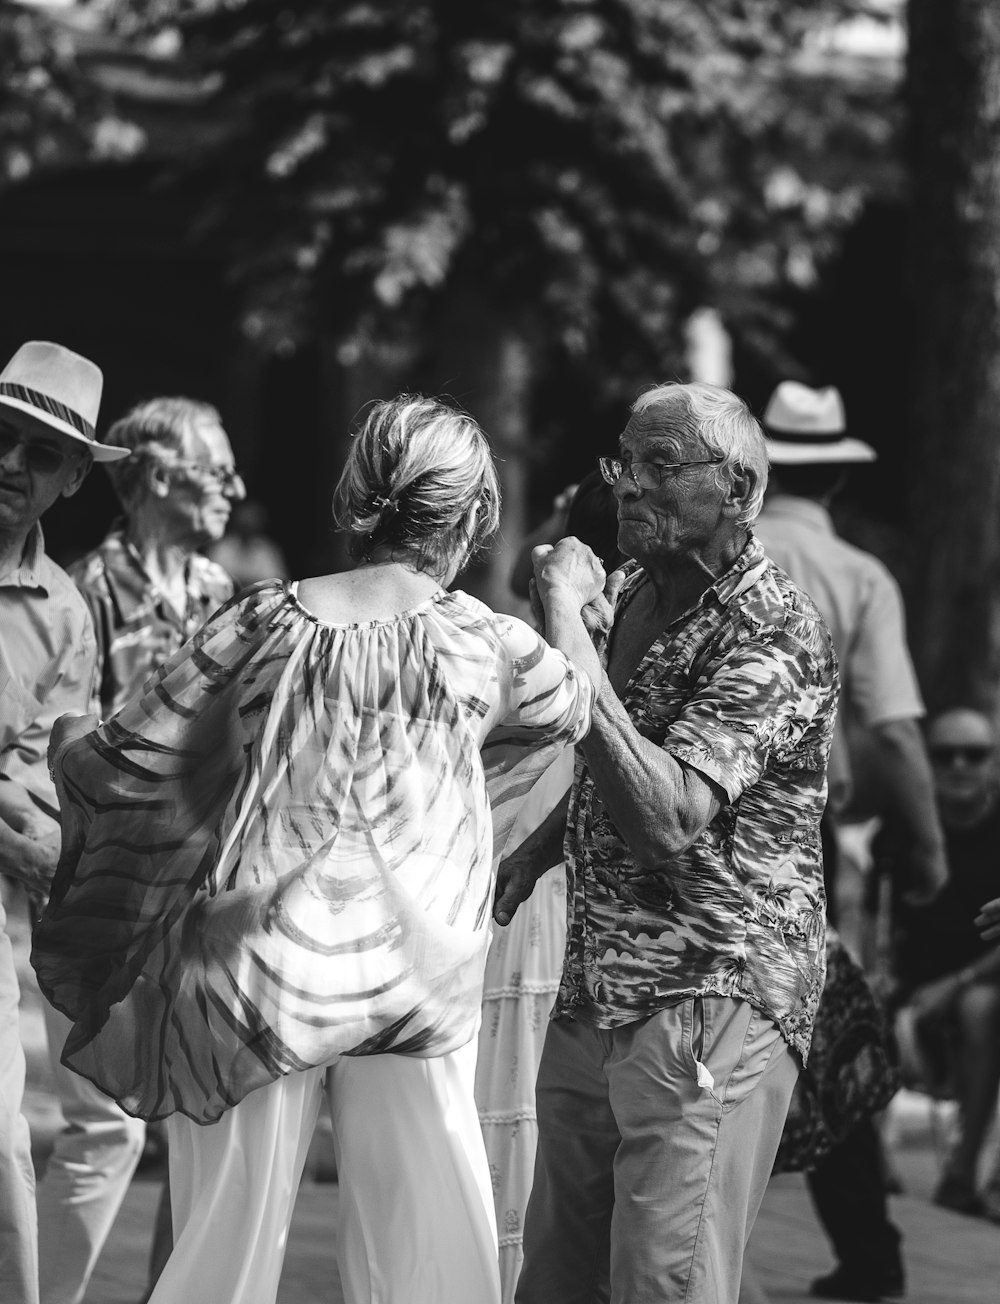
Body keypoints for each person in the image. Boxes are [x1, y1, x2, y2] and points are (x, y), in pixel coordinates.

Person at [31, 394, 599, 1304]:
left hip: (253, 970)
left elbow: (133, 754)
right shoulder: (490, 647)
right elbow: (579, 706)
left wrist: (59, 743)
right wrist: (568, 595)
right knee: (431, 1257)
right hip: (413, 981)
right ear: (471, 517)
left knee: (220, 1254)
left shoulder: (256, 622)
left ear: (357, 499)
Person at [494, 380, 840, 1304]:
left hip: (710, 990)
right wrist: (529, 858)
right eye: (625, 463)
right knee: (557, 1280)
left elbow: (668, 818)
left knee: (664, 1281)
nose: (629, 488)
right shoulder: (639, 591)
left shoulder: (773, 633)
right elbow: (612, 770)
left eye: (661, 466)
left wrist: (567, 628)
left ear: (737, 489)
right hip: (601, 984)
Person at [35, 396, 243, 1304]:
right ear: (158, 478)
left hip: (197, 893)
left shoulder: (219, 595)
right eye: (217, 469)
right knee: (104, 1126)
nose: (234, 488)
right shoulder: (88, 590)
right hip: (106, 889)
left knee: (195, 1115)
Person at [754, 379, 947, 1303]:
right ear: (834, 479)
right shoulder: (859, 576)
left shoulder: (725, 552)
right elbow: (898, 732)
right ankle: (868, 1253)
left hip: (687, 820)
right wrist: (930, 848)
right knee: (826, 1037)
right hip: (802, 838)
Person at [0, 339, 127, 1304]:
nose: (11, 462)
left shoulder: (70, 611)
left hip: (15, 897)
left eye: (39, 454)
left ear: (74, 476)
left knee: (54, 1132)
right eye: (1, 438)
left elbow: (46, 769)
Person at [477, 468, 623, 1303]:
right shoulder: (598, 636)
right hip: (549, 898)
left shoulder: (544, 634)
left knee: (516, 1106)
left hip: (537, 901)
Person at [871, 706, 1000, 1221]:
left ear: (992, 762)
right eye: (946, 755)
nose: (960, 766)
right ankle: (866, 1168)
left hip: (979, 983)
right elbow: (869, 910)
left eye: (976, 754)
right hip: (907, 985)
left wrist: (956, 983)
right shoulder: (902, 828)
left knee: (979, 1007)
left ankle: (963, 1172)